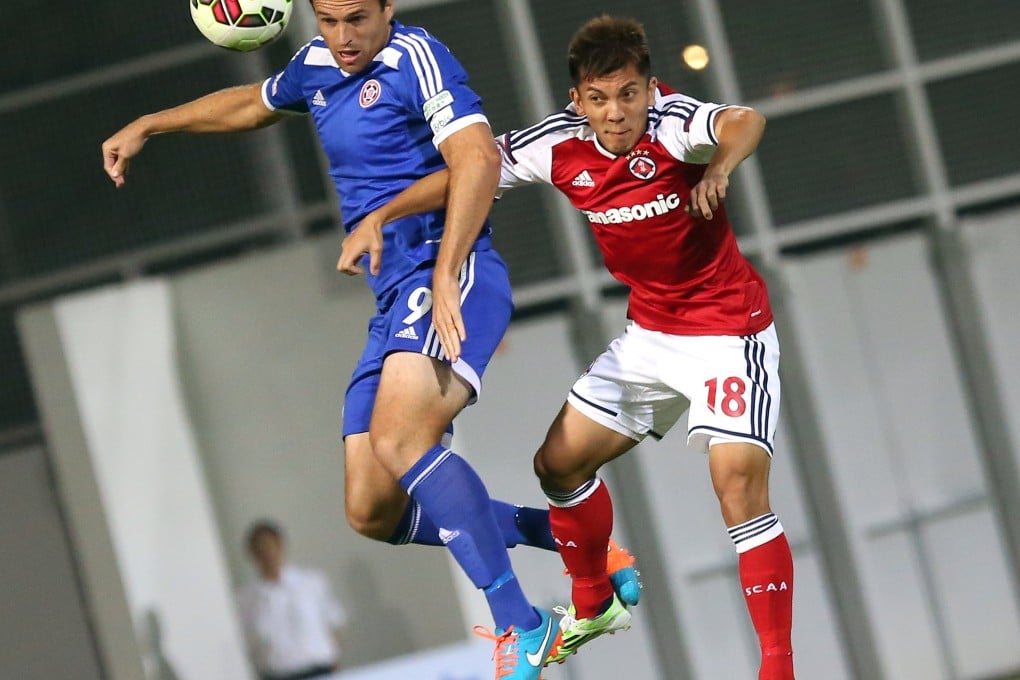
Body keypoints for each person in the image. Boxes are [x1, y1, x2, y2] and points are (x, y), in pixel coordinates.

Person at [100, 3, 638, 677]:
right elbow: (252, 104)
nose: (343, 36)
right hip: (392, 298)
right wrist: (152, 123)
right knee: (372, 508)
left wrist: (446, 273)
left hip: (449, 266)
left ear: (387, 8)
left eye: (358, 17)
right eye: (327, 19)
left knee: (401, 439)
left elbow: (476, 160)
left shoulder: (419, 58)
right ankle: (571, 542)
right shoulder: (317, 65)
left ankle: (521, 626)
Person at [339, 14, 796, 679]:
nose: (618, 114)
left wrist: (719, 165)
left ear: (649, 89)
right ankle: (592, 599)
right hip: (651, 336)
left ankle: (777, 667)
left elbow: (745, 119)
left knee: (735, 487)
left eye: (630, 95)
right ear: (577, 101)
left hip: (730, 334)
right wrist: (383, 215)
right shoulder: (559, 142)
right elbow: (474, 170)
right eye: (602, 99)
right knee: (557, 466)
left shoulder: (675, 122)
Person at [237, 521, 346, 680]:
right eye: (259, 549)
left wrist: (335, 662)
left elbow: (333, 623)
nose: (266, 554)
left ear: (280, 545)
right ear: (252, 554)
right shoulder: (246, 599)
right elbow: (249, 643)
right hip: (277, 674)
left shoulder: (311, 582)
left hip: (319, 668)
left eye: (269, 546)